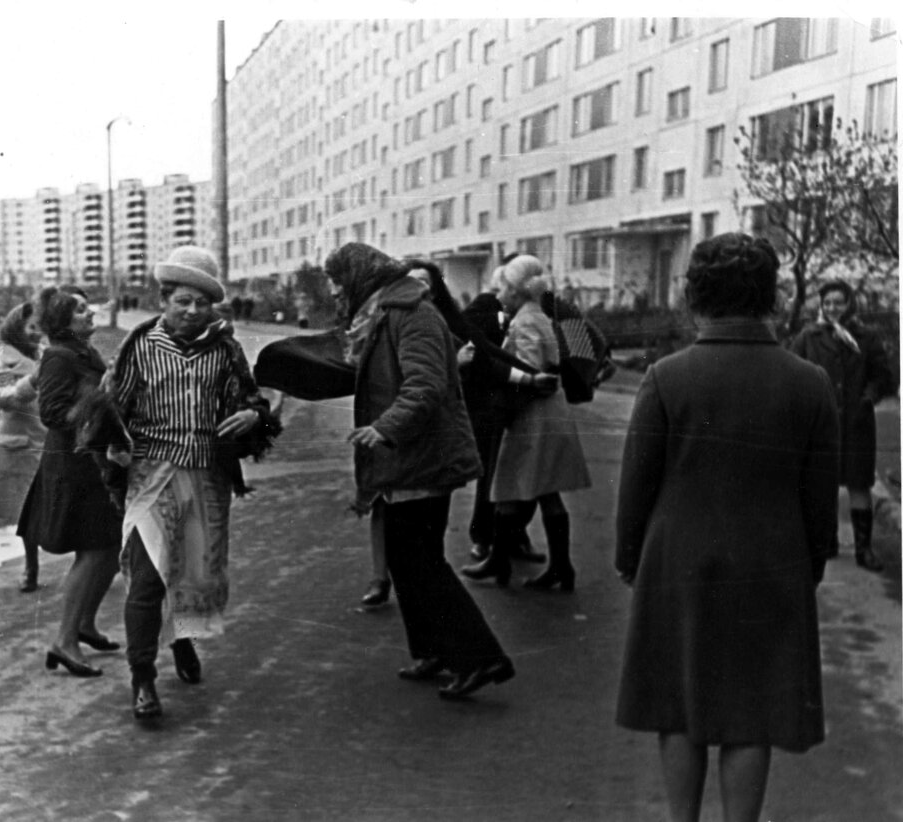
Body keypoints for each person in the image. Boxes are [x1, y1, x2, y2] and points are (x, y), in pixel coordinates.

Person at [615, 233, 838, 822]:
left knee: (680, 706)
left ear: (696, 296)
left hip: (676, 563)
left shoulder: (666, 376)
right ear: (770, 296)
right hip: (773, 563)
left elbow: (636, 484)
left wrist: (629, 558)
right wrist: (811, 563)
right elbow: (820, 499)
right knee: (752, 713)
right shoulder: (810, 382)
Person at [324, 242, 515, 700]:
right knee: (406, 559)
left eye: (337, 283)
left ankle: (479, 658)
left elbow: (425, 385)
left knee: (421, 562)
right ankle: (433, 650)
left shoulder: (414, 315)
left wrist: (384, 429)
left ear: (359, 278)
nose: (334, 292)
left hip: (422, 460)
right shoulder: (386, 313)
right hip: (407, 458)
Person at [105, 245, 278, 721]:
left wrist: (250, 415)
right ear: (164, 299)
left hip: (206, 476)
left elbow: (255, 401)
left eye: (203, 303)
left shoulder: (225, 350)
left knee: (194, 574)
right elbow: (110, 407)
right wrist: (111, 445)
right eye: (183, 301)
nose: (193, 311)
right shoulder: (139, 346)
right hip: (152, 476)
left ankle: (183, 641)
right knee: (146, 580)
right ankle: (142, 677)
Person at [462, 256, 591, 591]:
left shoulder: (525, 322)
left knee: (509, 486)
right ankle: (557, 568)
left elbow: (531, 372)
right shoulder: (536, 316)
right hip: (547, 414)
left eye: (502, 287)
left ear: (516, 290)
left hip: (531, 417)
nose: (498, 294)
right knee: (545, 492)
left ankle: (502, 562)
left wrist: (502, 383)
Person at [16, 285, 125, 677]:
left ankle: (84, 624)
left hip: (91, 463)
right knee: (94, 551)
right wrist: (99, 400)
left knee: (110, 547)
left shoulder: (81, 352)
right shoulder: (60, 357)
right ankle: (64, 640)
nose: (90, 313)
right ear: (63, 322)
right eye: (80, 311)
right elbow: (52, 414)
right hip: (74, 468)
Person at [790, 280, 896, 572]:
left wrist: (868, 399)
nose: (833, 308)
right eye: (828, 303)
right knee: (824, 485)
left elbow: (884, 377)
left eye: (839, 302)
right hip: (821, 424)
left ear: (849, 303)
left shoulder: (866, 336)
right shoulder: (809, 337)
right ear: (821, 306)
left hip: (857, 423)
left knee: (859, 484)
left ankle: (864, 549)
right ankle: (829, 542)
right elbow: (794, 373)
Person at [0, 302, 47, 592]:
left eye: (39, 327)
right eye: (31, 327)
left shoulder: (46, 354)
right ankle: (31, 567)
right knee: (26, 511)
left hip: (47, 438)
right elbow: (1, 398)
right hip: (21, 443)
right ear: (16, 329)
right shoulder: (2, 362)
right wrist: (31, 381)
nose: (36, 333)